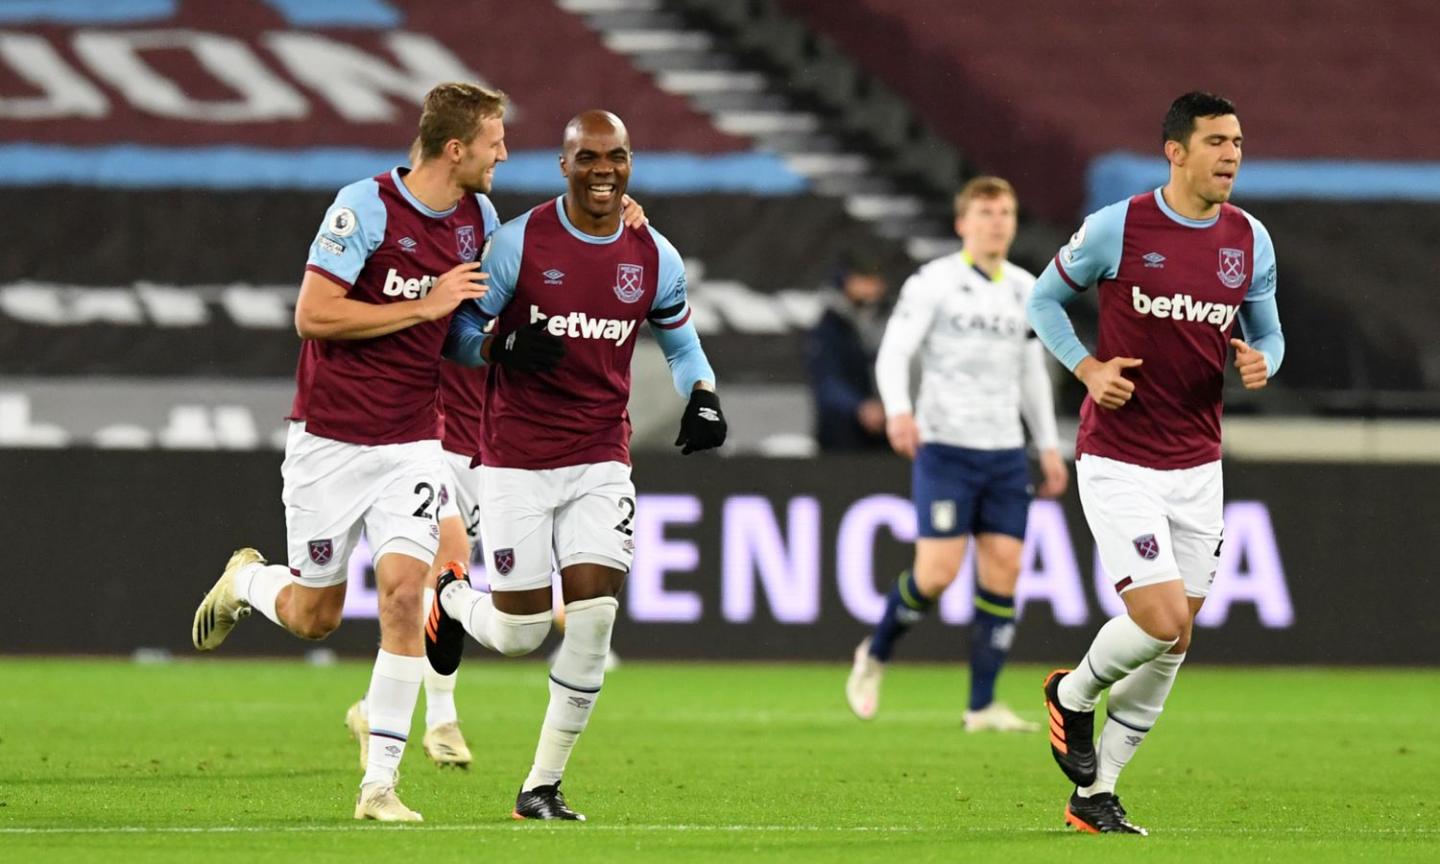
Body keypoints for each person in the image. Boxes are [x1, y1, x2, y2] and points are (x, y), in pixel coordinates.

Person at [189, 82, 506, 821]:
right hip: (329, 442)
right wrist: (425, 303)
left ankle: (380, 786)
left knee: (404, 594)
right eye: (495, 140)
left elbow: (453, 331)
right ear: (455, 148)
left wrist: (492, 345)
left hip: (413, 442)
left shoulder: (478, 219)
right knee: (314, 616)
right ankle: (247, 582)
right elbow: (314, 314)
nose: (503, 154)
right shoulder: (365, 207)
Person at [430, 109, 726, 821]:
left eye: (616, 156)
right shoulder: (518, 243)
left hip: (600, 456)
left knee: (593, 618)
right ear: (564, 165)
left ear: (630, 163)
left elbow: (683, 347)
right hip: (515, 460)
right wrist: (498, 349)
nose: (603, 170)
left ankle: (541, 786)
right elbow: (458, 331)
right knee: (519, 633)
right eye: (588, 157)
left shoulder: (653, 254)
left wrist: (706, 398)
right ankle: (449, 597)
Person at [1027, 92, 1284, 835]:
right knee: (1161, 617)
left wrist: (1264, 360)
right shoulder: (1120, 226)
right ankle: (1071, 695)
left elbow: (1270, 333)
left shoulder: (1250, 239)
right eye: (1216, 141)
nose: (1232, 154)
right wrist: (1086, 369)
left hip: (1199, 464)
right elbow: (1044, 301)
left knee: (1176, 640)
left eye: (1237, 140)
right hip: (1119, 456)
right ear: (1175, 151)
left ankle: (1095, 794)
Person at [845, 177, 1067, 732]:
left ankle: (982, 705)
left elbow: (1031, 374)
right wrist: (899, 410)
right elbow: (895, 351)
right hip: (946, 447)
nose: (997, 222)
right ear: (962, 223)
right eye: (986, 212)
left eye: (1006, 213)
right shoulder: (934, 283)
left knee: (1005, 571)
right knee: (938, 574)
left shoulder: (1025, 288)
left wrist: (1048, 445)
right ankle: (874, 653)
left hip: (1005, 454)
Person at [806, 253, 890, 451]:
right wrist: (859, 408)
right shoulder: (830, 326)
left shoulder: (893, 319)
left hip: (889, 422)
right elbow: (827, 381)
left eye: (875, 280)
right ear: (846, 281)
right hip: (844, 429)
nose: (871, 286)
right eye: (864, 279)